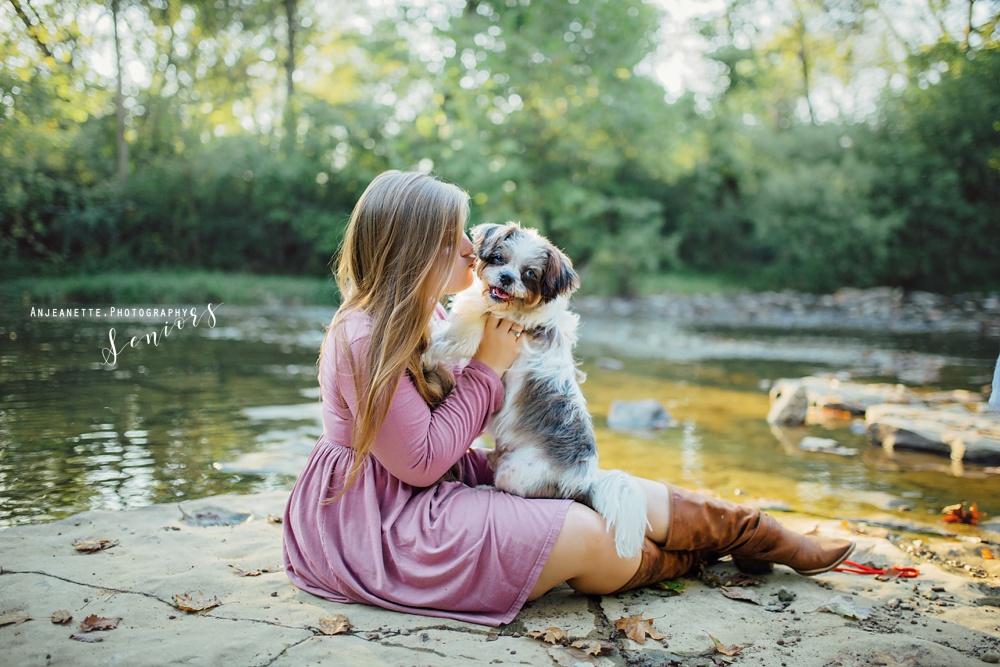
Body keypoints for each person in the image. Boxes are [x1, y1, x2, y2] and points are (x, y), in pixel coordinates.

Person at [282, 170, 855, 627]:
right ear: (412, 249)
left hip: (427, 484)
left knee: (624, 491)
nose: (470, 245)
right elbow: (420, 460)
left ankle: (763, 537)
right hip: (382, 521)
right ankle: (704, 557)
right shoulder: (363, 335)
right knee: (592, 534)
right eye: (452, 236)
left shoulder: (426, 311)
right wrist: (488, 368)